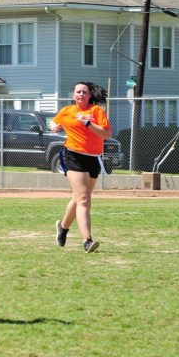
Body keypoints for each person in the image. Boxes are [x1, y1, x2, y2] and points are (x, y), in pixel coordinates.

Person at [49, 81, 113, 253]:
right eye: (78, 92)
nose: (81, 94)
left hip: (93, 159)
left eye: (85, 92)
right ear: (73, 95)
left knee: (79, 198)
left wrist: (88, 123)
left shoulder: (96, 111)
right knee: (84, 199)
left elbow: (107, 134)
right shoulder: (67, 111)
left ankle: (63, 227)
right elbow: (53, 122)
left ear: (89, 95)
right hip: (73, 156)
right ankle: (87, 241)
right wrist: (54, 126)